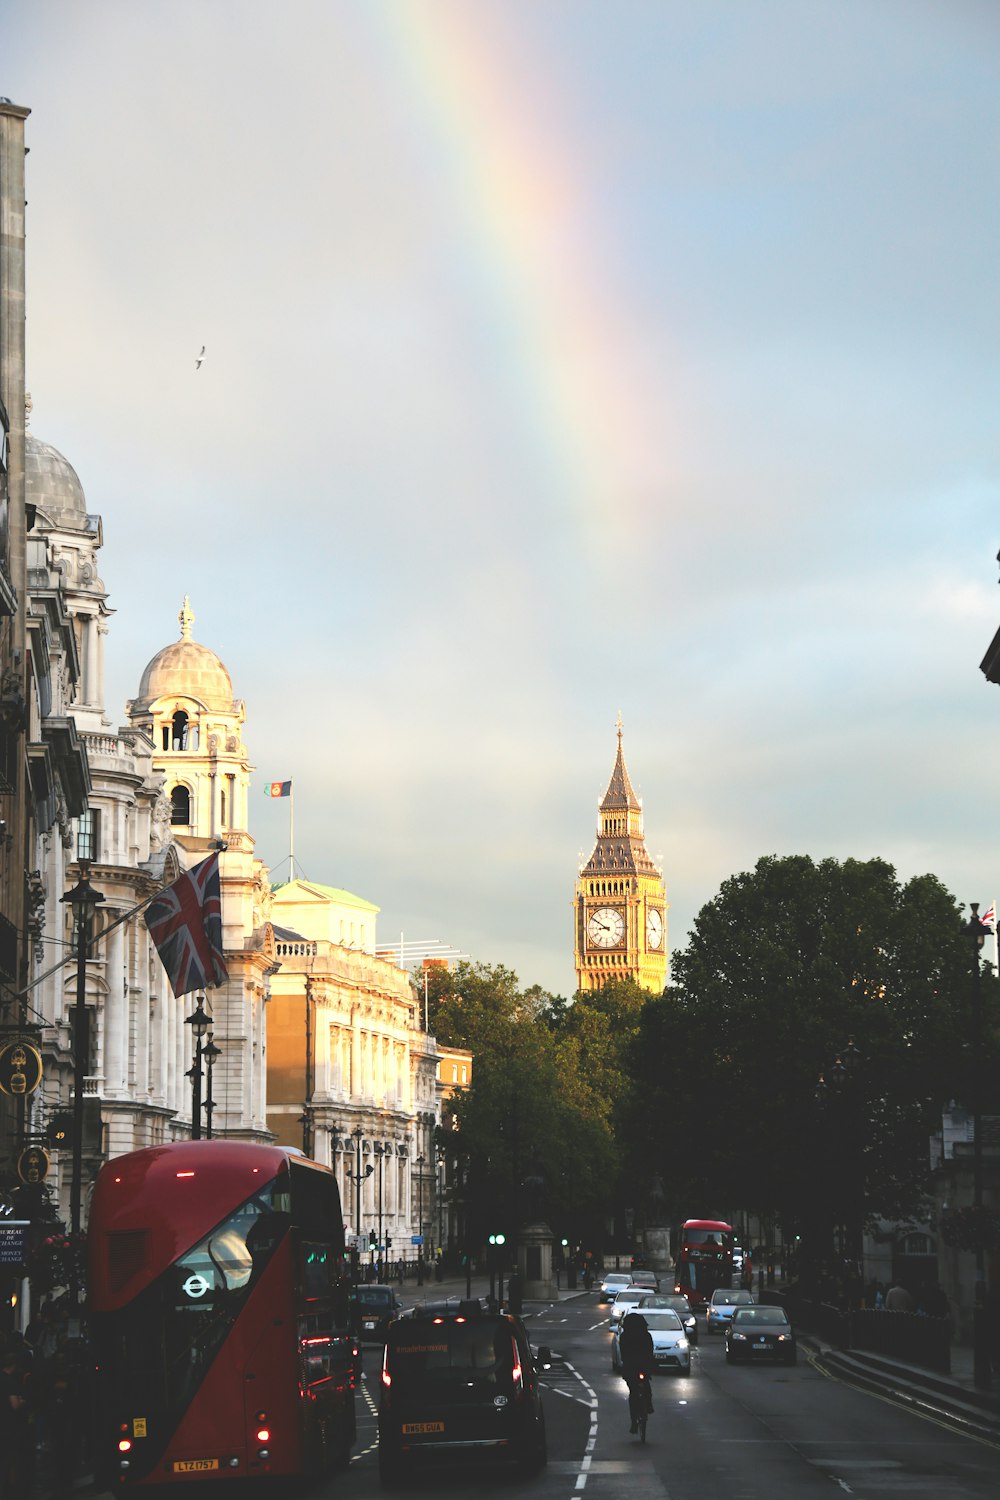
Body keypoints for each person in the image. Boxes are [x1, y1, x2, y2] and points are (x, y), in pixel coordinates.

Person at [618, 1312, 655, 1433]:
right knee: (647, 1387)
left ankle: (634, 1423)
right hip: (644, 1365)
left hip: (630, 1367)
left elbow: (623, 1352)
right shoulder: (646, 1336)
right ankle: (648, 1405)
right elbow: (650, 1352)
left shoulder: (624, 1336)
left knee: (633, 1393)